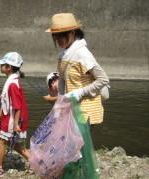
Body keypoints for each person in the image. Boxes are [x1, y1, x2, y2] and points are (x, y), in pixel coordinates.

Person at [46, 13, 109, 177]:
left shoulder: (82, 53)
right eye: (56, 36)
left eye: (62, 35)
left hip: (85, 109)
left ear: (73, 33)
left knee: (75, 150)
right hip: (71, 108)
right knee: (72, 150)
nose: (59, 40)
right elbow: (62, 80)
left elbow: (103, 79)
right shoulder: (64, 54)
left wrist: (79, 93)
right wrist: (59, 102)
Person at [0, 52, 30, 177]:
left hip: (13, 119)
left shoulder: (12, 84)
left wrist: (16, 124)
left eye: (2, 65)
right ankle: (36, 162)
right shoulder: (11, 80)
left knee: (1, 141)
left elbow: (17, 106)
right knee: (17, 146)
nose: (0, 67)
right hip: (8, 116)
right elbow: (5, 102)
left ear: (9, 67)